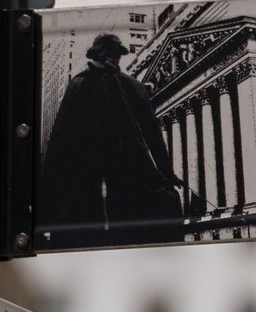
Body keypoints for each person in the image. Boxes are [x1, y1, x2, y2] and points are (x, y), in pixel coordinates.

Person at [37, 33, 191, 243]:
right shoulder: (80, 84)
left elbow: (152, 133)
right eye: (112, 53)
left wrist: (166, 172)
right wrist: (50, 184)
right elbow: (60, 138)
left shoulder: (131, 87)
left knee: (129, 221)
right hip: (88, 172)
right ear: (100, 54)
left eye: (118, 55)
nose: (115, 59)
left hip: (124, 169)